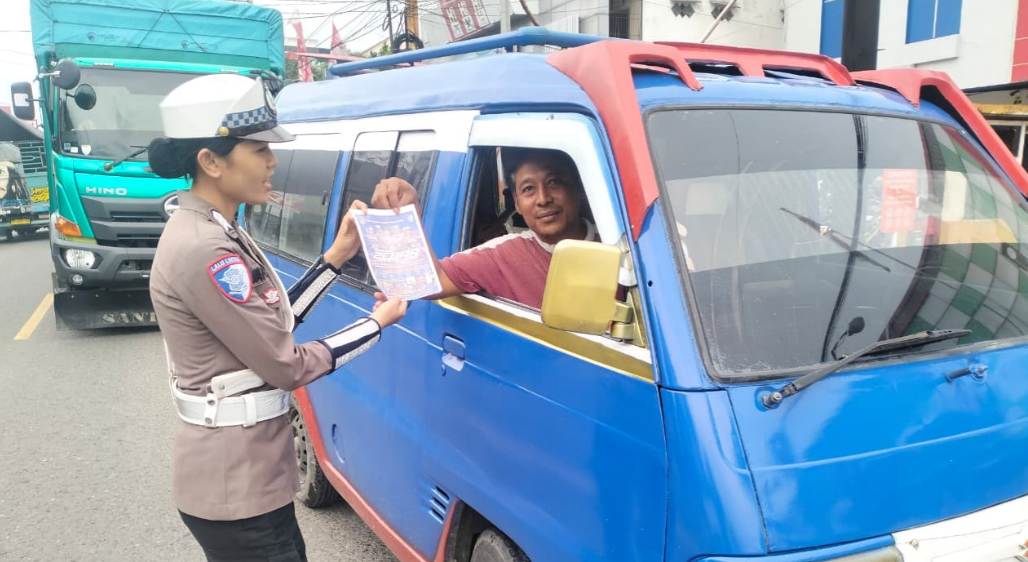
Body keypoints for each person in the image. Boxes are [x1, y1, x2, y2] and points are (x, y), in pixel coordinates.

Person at [147, 73, 407, 562]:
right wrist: (377, 324)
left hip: (250, 479)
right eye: (260, 150)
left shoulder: (214, 227)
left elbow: (272, 321)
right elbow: (285, 363)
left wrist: (334, 258)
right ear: (211, 162)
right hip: (236, 489)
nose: (273, 161)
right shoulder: (205, 247)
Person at [365, 148, 598, 309]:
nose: (543, 198)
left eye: (554, 182)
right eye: (528, 189)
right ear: (516, 203)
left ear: (579, 189)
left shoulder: (624, 250)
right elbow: (425, 282)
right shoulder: (504, 255)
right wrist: (403, 213)